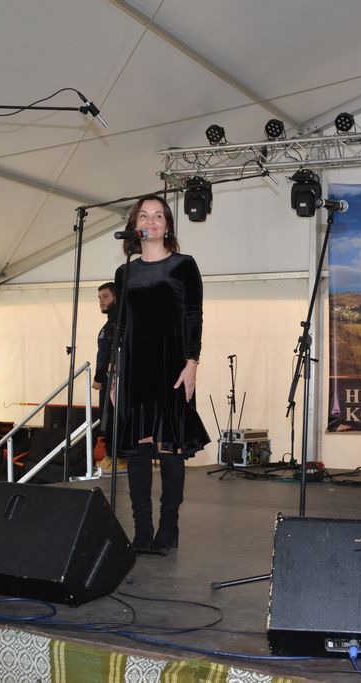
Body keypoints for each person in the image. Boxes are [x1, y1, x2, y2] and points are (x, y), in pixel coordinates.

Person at [114, 194, 209, 553]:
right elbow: (120, 326)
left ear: (167, 225)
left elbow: (194, 316)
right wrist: (115, 374)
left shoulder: (184, 265)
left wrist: (192, 363)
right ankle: (142, 530)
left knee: (171, 449)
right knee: (138, 452)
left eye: (158, 216)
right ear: (134, 224)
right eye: (144, 215)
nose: (151, 221)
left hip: (172, 365)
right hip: (135, 368)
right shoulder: (125, 272)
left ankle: (169, 528)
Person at [93, 282, 116, 441]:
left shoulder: (119, 323)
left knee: (112, 423)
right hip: (106, 382)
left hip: (112, 382)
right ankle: (109, 450)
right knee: (106, 424)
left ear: (116, 296)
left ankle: (116, 453)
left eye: (106, 296)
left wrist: (98, 377)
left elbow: (111, 353)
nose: (101, 301)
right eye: (99, 298)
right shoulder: (109, 323)